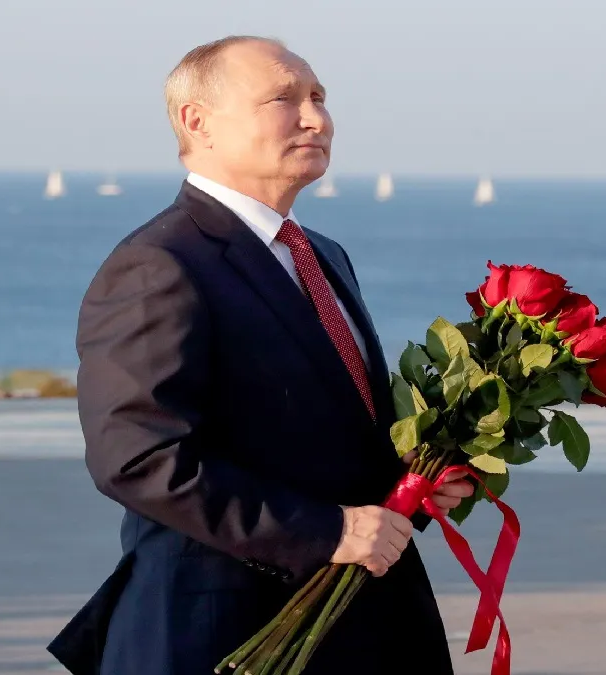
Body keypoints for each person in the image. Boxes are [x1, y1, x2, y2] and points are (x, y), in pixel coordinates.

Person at [47, 35, 474, 675]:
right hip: (224, 633)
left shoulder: (322, 254)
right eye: (284, 99)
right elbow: (137, 457)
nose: (316, 119)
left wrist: (414, 480)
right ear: (198, 121)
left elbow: (321, 430)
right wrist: (326, 531)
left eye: (319, 97)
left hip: (363, 627)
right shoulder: (158, 264)